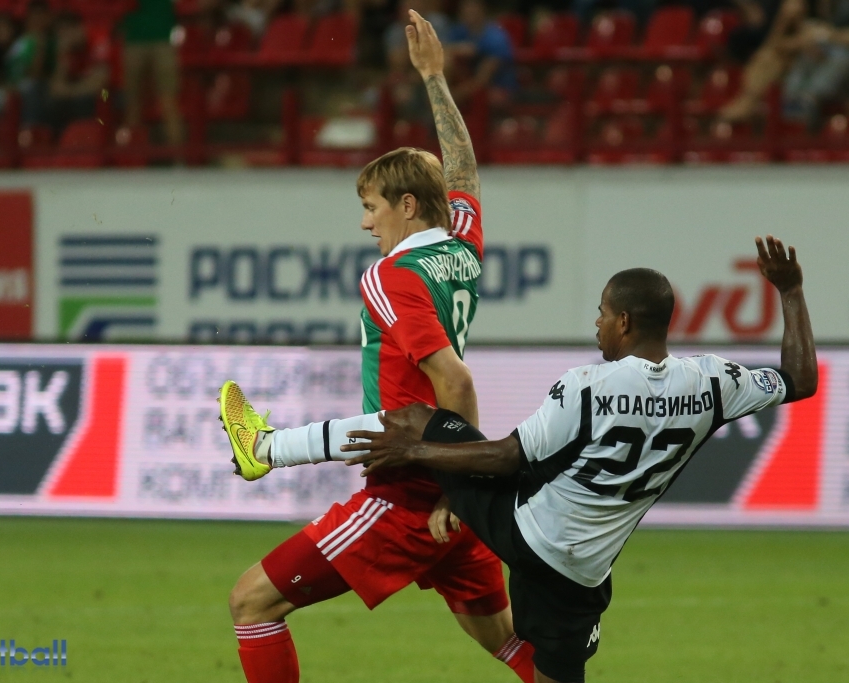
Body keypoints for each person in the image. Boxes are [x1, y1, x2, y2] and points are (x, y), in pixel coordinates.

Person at [232, 235, 816, 682]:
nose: (596, 323)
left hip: (524, 528)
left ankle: (267, 448)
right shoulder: (714, 383)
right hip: (583, 573)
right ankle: (293, 454)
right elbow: (799, 378)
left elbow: (508, 457)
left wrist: (418, 452)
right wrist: (790, 292)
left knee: (413, 416)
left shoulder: (589, 385)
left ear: (624, 322)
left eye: (601, 313)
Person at [220, 10, 536, 683]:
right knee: (508, 641)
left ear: (408, 206)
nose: (366, 223)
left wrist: (457, 481)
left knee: (251, 602)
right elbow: (465, 175)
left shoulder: (391, 275)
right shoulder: (463, 248)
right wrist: (435, 79)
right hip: (445, 489)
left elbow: (454, 381)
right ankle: (266, 447)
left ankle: (265, 449)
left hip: (411, 491)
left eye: (372, 207)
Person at [120, 0, 183, 152]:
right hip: (135, 39)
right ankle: (133, 157)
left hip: (162, 39)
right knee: (132, 103)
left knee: (168, 101)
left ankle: (178, 156)